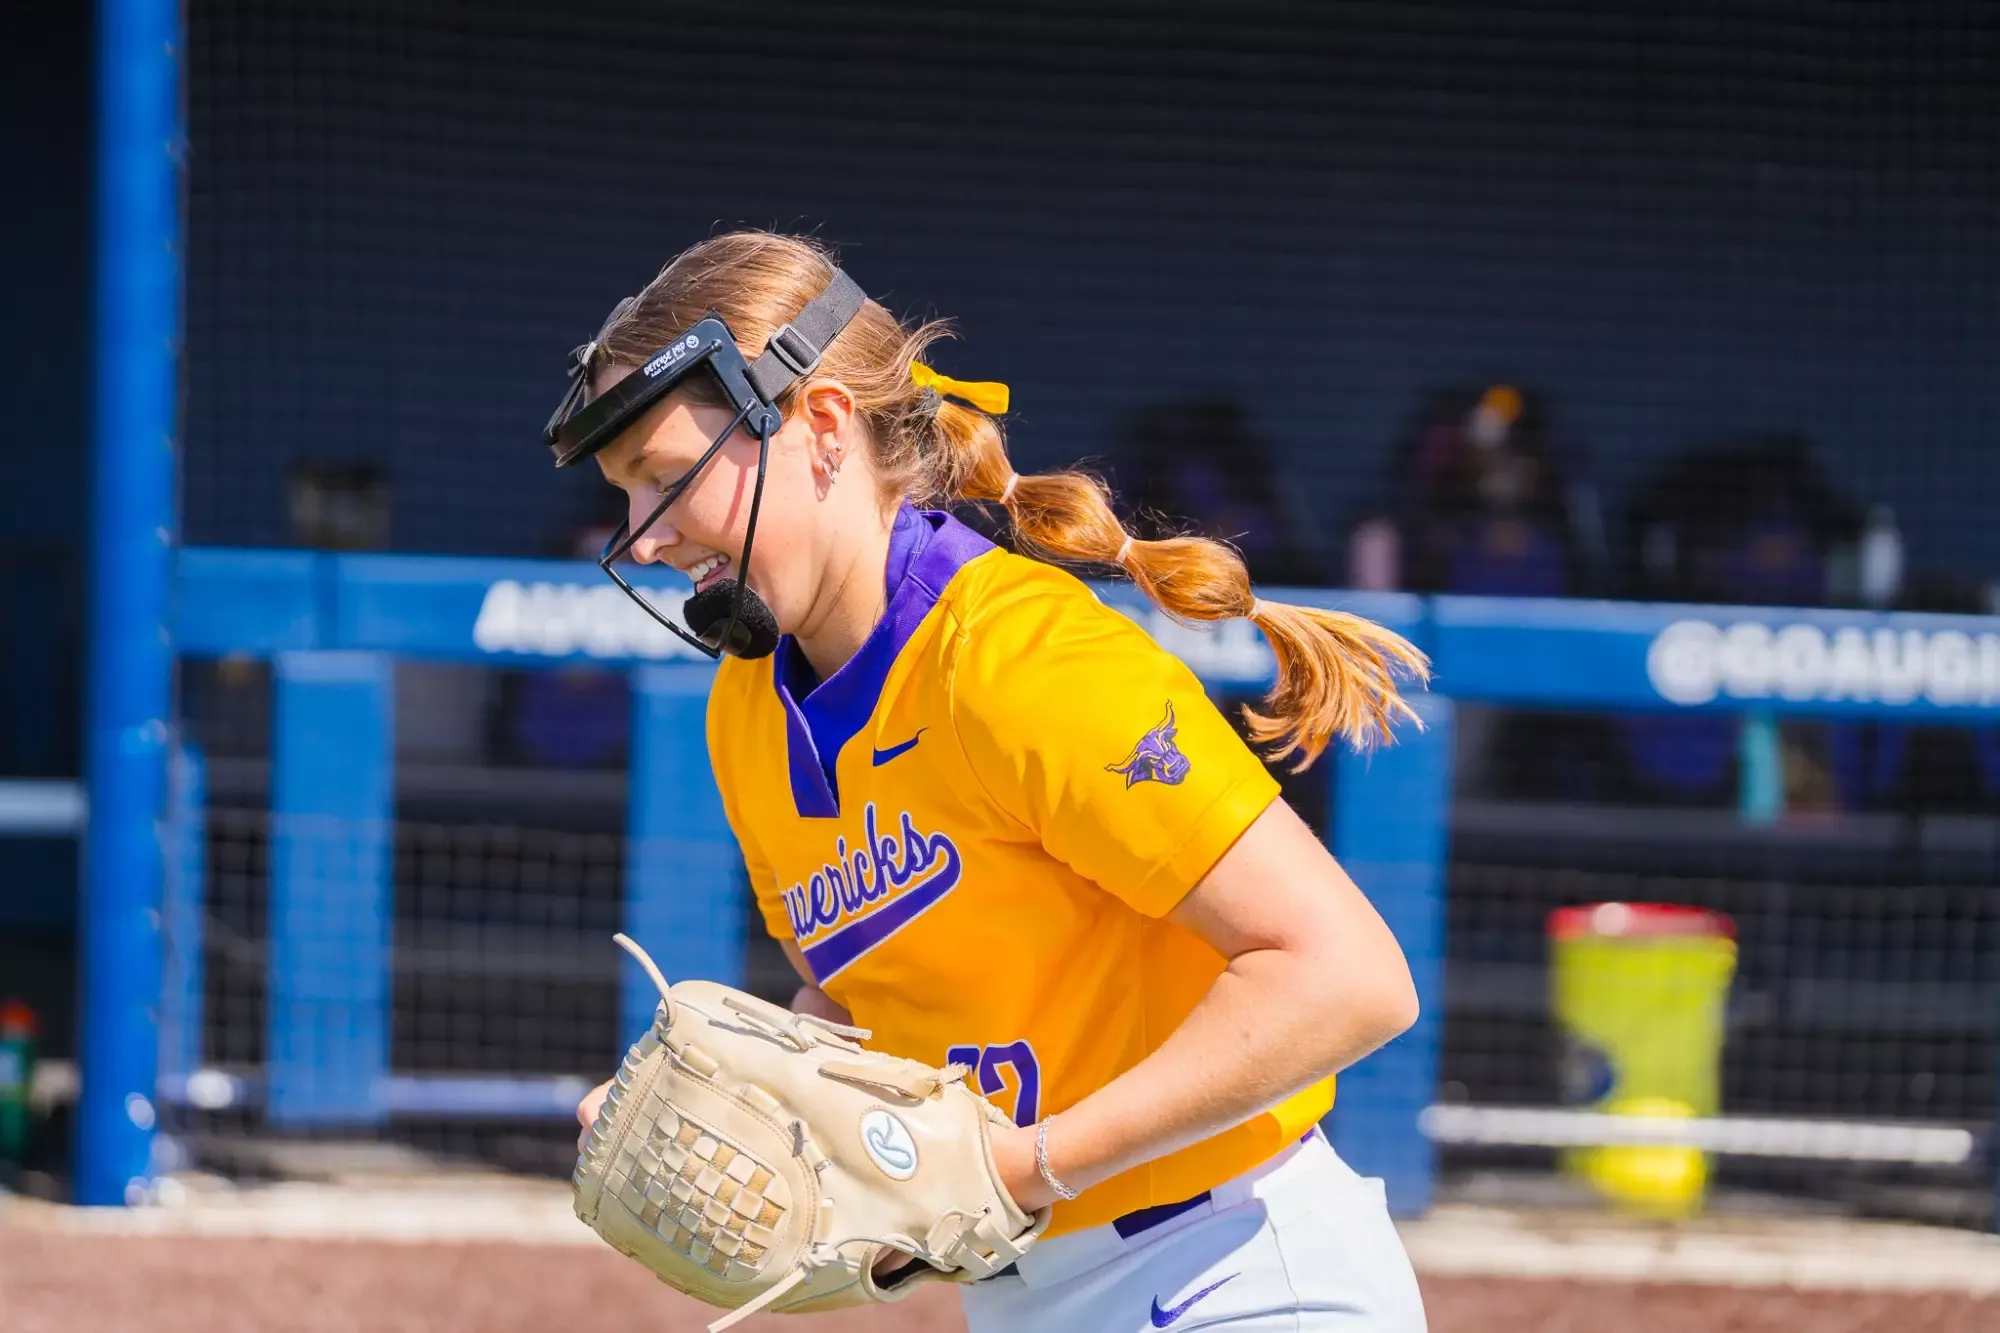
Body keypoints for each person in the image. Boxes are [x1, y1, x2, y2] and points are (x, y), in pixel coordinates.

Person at [560, 232, 1430, 1332]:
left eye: (665, 475)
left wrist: (1026, 1168)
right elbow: (863, 1001)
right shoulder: (747, 711)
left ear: (820, 425)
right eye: (626, 494)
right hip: (1024, 1298)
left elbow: (1348, 978)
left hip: (1234, 1269)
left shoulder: (1019, 661)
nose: (643, 537)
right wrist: (733, 1107)